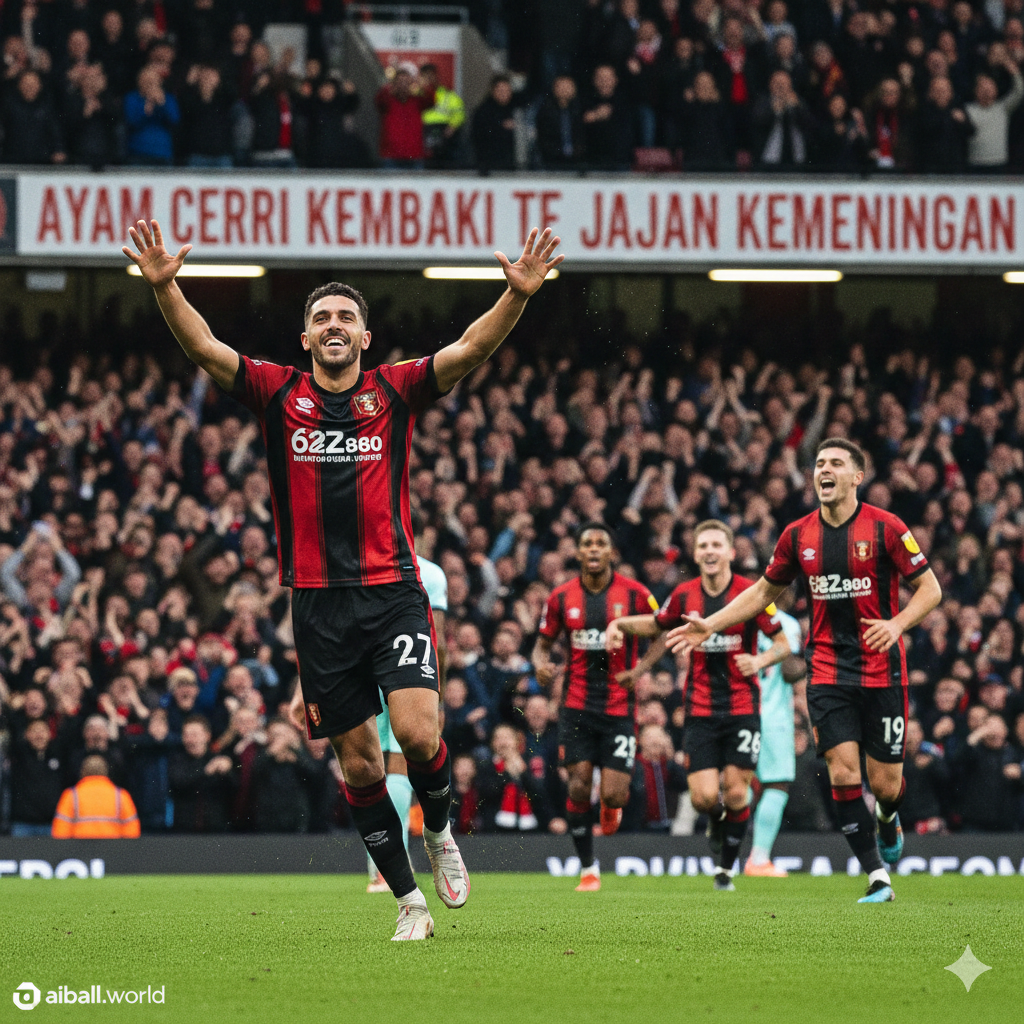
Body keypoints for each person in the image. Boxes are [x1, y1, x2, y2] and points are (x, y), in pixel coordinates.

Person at [123, 217, 562, 941]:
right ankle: (407, 902)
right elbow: (203, 349)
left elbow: (472, 346)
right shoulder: (276, 392)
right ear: (306, 339)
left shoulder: (392, 392)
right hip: (319, 609)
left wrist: (515, 295)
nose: (334, 325)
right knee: (359, 765)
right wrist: (167, 286)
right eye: (322, 316)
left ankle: (441, 830)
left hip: (393, 593)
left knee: (420, 736)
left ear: (365, 338)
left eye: (346, 317)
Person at [665, 439, 943, 903]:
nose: (824, 470)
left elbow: (930, 589)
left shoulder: (887, 527)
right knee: (840, 772)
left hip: (882, 671)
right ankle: (878, 876)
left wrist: (896, 625)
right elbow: (761, 593)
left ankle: (888, 817)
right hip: (829, 670)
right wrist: (708, 624)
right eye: (818, 464)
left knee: (886, 785)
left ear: (858, 476)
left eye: (836, 463)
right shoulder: (797, 535)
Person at [609, 520, 790, 890]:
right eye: (703, 545)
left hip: (742, 706)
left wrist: (758, 662)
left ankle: (725, 867)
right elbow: (657, 625)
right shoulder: (684, 595)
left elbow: (784, 643)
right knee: (706, 797)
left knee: (737, 791)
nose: (709, 551)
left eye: (715, 545)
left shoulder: (750, 593)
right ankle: (717, 823)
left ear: (730, 552)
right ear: (695, 554)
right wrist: (620, 624)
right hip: (701, 709)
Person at [531, 521, 658, 892]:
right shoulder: (560, 597)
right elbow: (542, 643)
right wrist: (540, 663)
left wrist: (642, 669)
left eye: (601, 543)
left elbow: (663, 629)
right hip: (576, 706)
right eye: (586, 543)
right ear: (578, 551)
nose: (593, 549)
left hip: (619, 706)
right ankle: (588, 868)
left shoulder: (634, 593)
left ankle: (609, 807)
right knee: (578, 786)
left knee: (614, 794)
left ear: (611, 552)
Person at [744, 605, 804, 876]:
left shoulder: (739, 614)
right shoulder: (786, 623)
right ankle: (758, 859)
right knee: (776, 783)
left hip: (739, 709)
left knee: (739, 782)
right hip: (773, 714)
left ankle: (726, 852)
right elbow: (791, 672)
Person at [52, 755, 141, 838]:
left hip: (80, 852)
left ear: (83, 771)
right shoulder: (121, 795)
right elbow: (132, 832)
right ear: (106, 771)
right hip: (113, 852)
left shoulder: (71, 795)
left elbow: (60, 832)